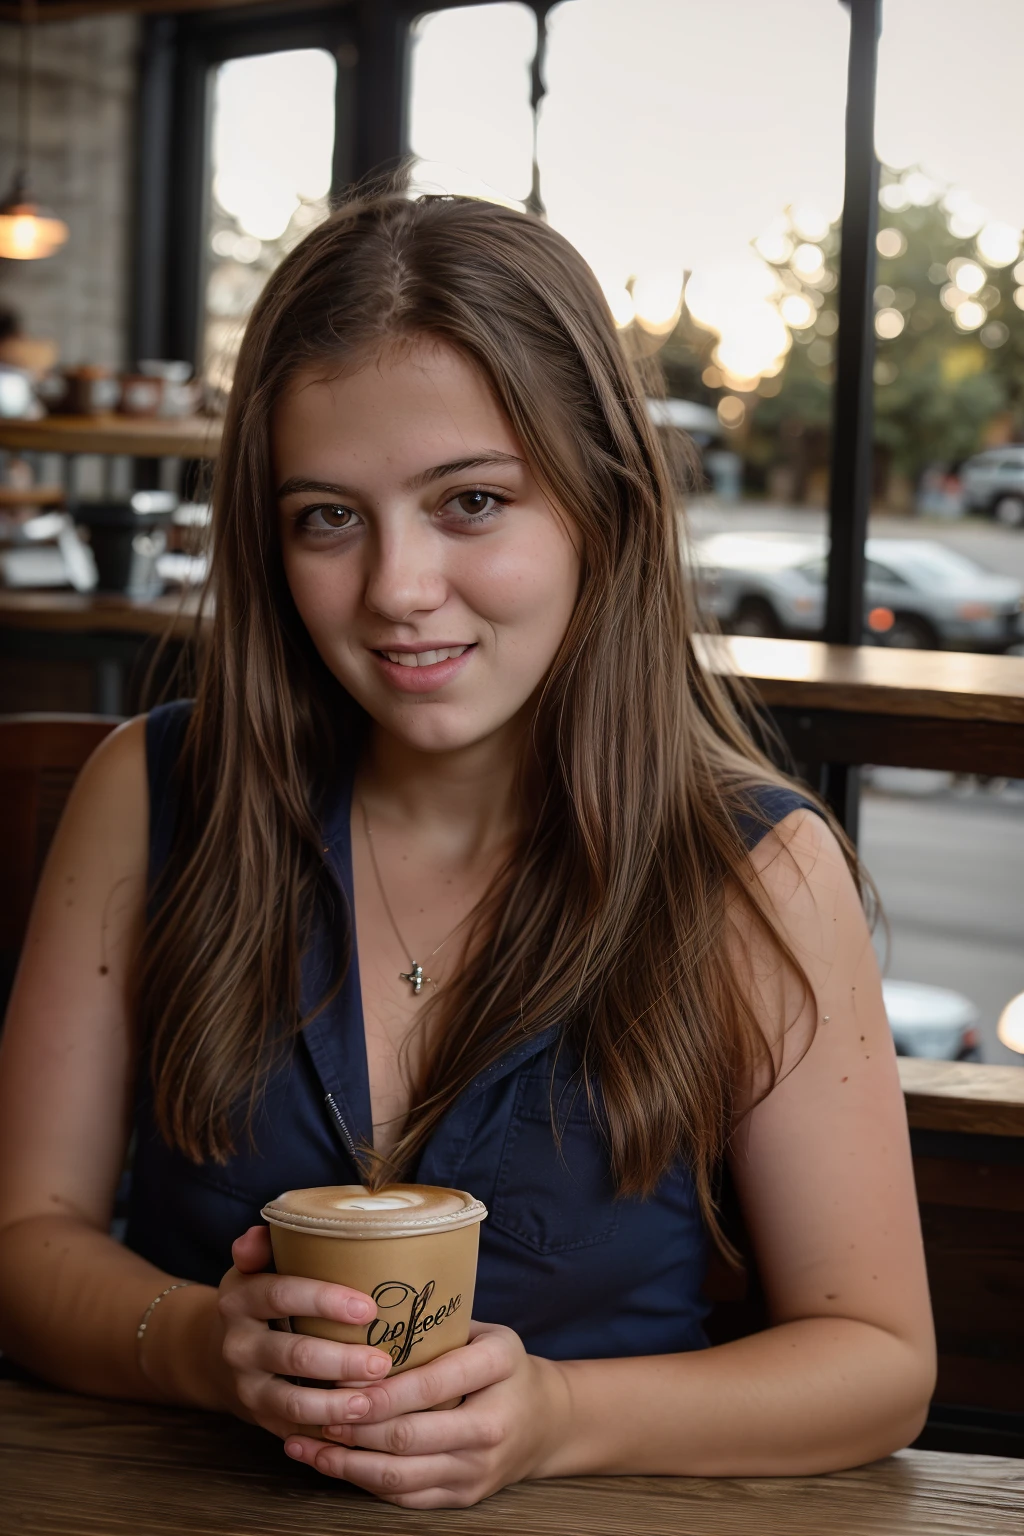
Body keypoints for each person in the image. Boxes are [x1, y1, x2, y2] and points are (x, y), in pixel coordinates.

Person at [0, 191, 935, 1510]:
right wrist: (205, 1350)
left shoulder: (750, 867)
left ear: (600, 505)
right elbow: (23, 1242)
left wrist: (554, 1418)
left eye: (473, 502)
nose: (396, 586)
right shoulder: (152, 793)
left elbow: (879, 1362)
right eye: (328, 517)